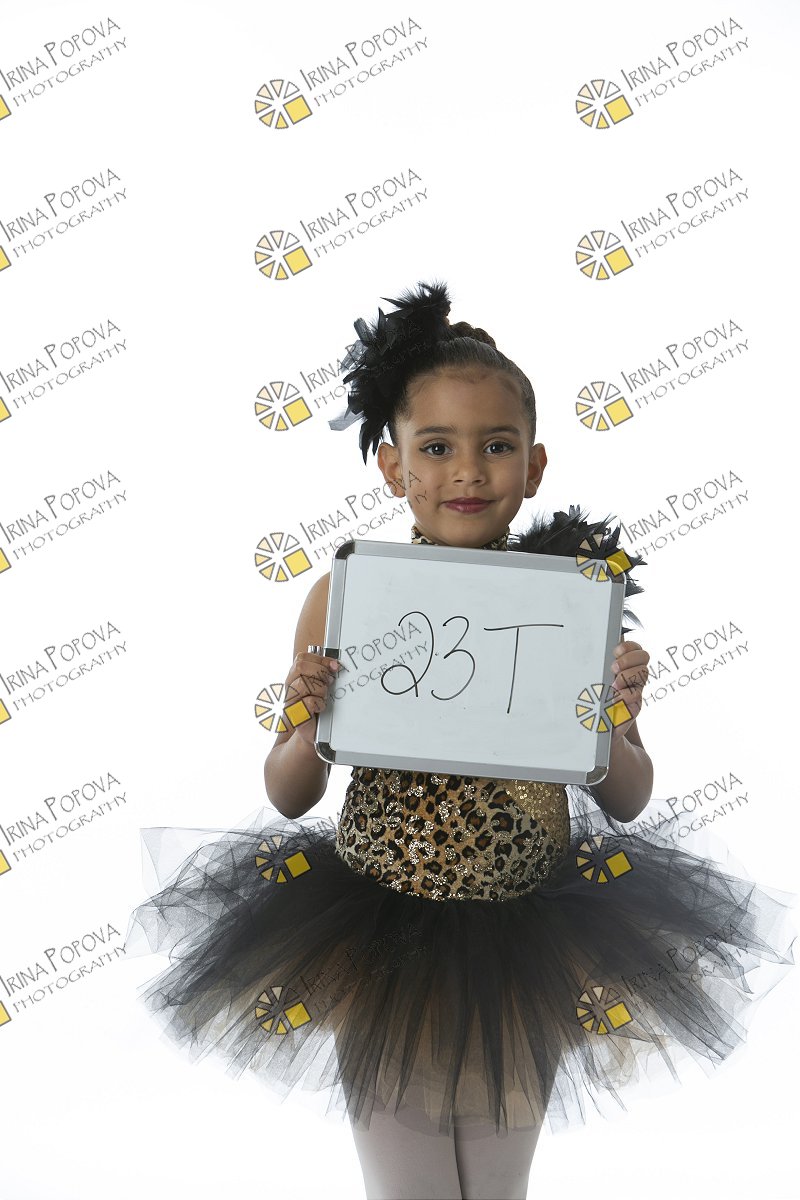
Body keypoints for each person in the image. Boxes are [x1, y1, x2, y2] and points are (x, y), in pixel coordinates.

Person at [124, 280, 796, 1200]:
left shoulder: (573, 600)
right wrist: (305, 719)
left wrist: (616, 718)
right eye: (437, 448)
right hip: (379, 926)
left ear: (536, 464)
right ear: (393, 466)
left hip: (527, 933)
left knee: (495, 1187)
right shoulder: (349, 594)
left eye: (497, 446)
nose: (468, 472)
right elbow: (289, 790)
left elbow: (627, 796)